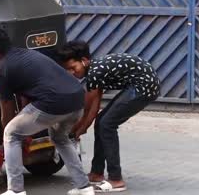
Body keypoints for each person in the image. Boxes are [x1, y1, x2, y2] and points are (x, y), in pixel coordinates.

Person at [0, 24, 93, 195]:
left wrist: (8, 142)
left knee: (11, 133)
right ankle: (84, 187)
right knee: (60, 138)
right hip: (76, 99)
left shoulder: (1, 72)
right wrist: (25, 128)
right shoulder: (26, 54)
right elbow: (27, 96)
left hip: (54, 102)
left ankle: (15, 190)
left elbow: (6, 115)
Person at [57, 41, 160, 193]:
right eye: (68, 70)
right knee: (102, 122)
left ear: (84, 61)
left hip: (143, 86)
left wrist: (77, 132)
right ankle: (96, 173)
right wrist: (79, 130)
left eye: (73, 67)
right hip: (137, 84)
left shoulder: (95, 72)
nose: (72, 72)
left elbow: (90, 110)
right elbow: (93, 108)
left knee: (107, 125)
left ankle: (116, 179)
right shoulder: (94, 71)